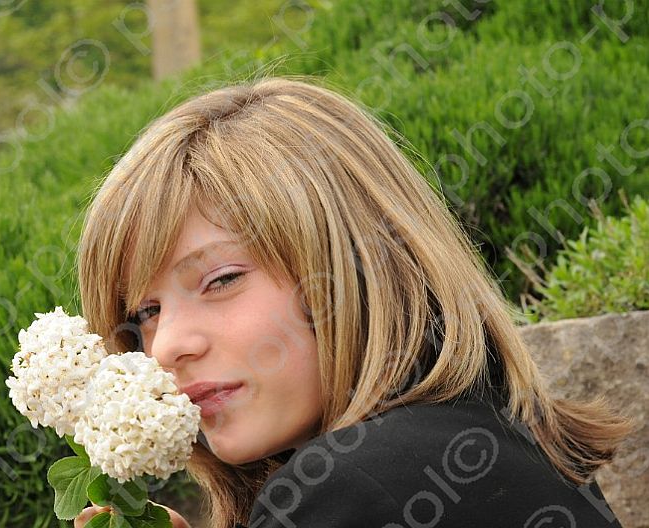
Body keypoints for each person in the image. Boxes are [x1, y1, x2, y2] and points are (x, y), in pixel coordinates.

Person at [74, 75, 633, 528]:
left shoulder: (346, 488)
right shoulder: (506, 441)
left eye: (220, 280)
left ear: (355, 268)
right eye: (146, 313)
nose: (166, 346)